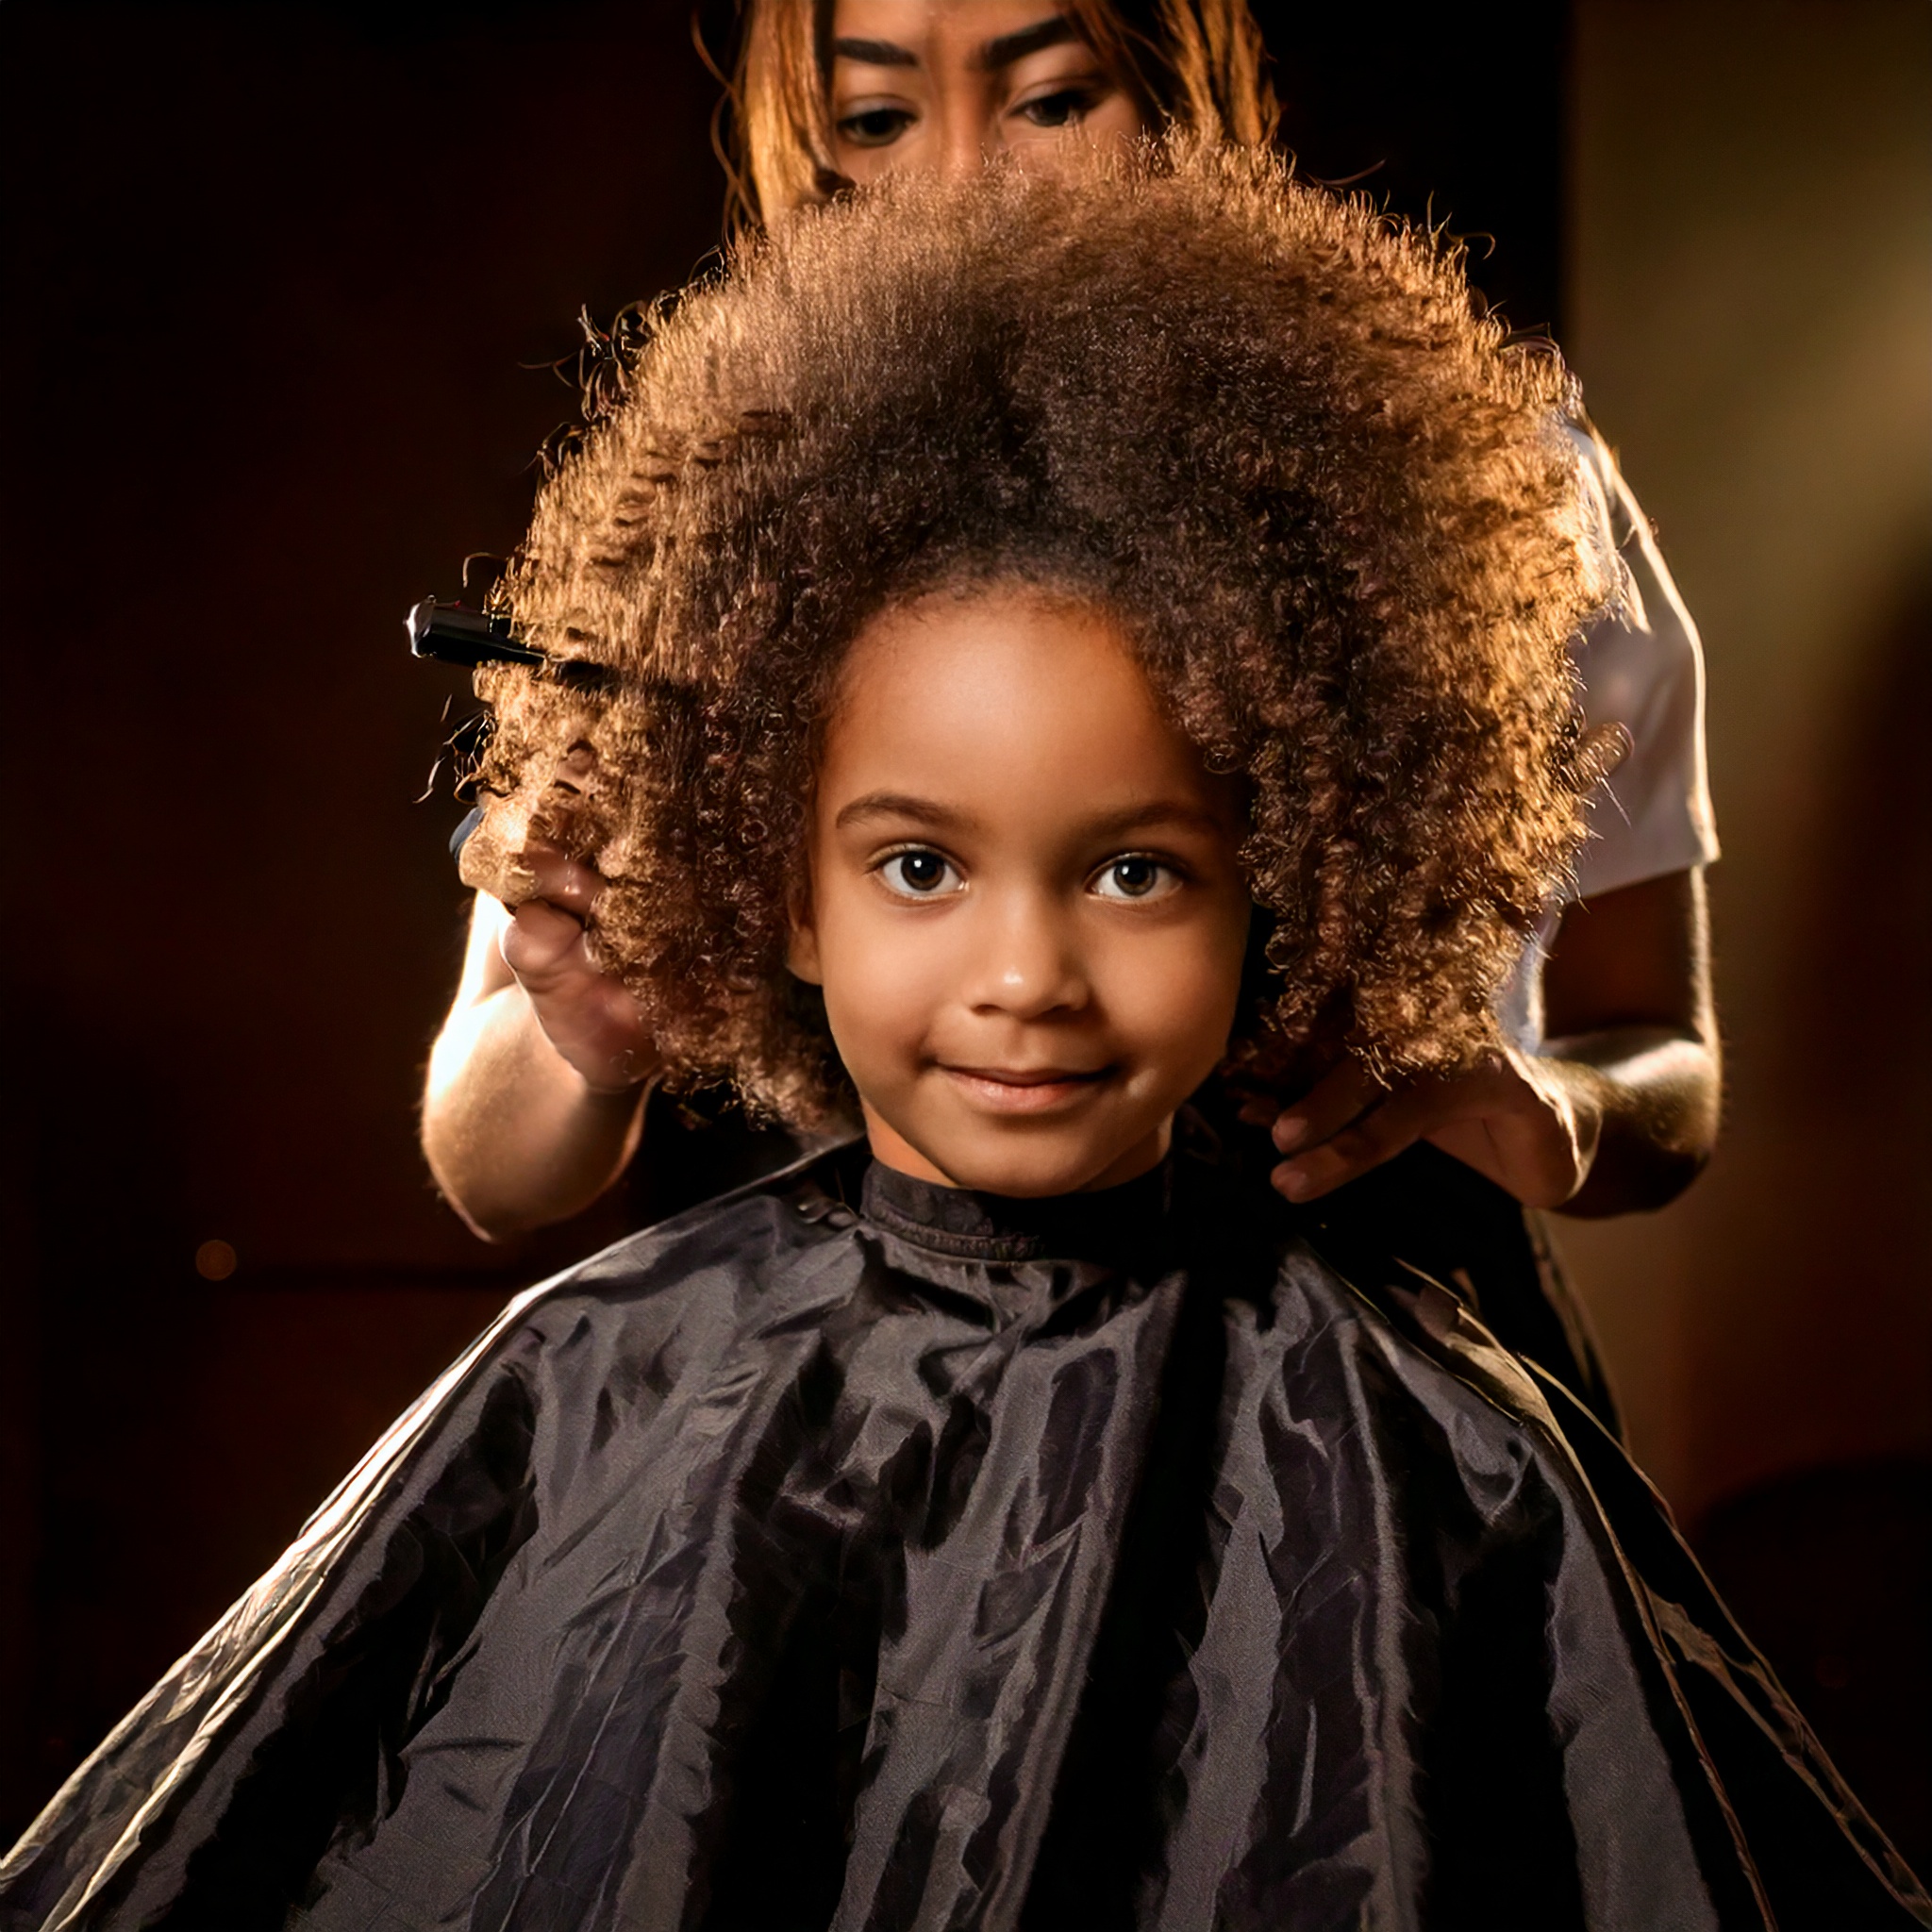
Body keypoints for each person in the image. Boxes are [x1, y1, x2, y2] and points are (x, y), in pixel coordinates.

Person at [5, 142, 1918, 1930]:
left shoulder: (1438, 1461)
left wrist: (1554, 1113)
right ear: (775, 882)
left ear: (1303, 872)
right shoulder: (606, 1371)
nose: (1026, 975)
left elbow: (1652, 1074)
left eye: (1137, 876)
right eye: (921, 865)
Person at [421, 0, 1719, 1436]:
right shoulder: (731, 505)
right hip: (863, 1408)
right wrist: (584, 1046)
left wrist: (1558, 1112)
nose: (964, 174)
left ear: (1186, 91)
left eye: (1050, 99)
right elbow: (492, 1164)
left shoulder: (1477, 496)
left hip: (1372, 1398)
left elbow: (1660, 1055)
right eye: (875, 118)